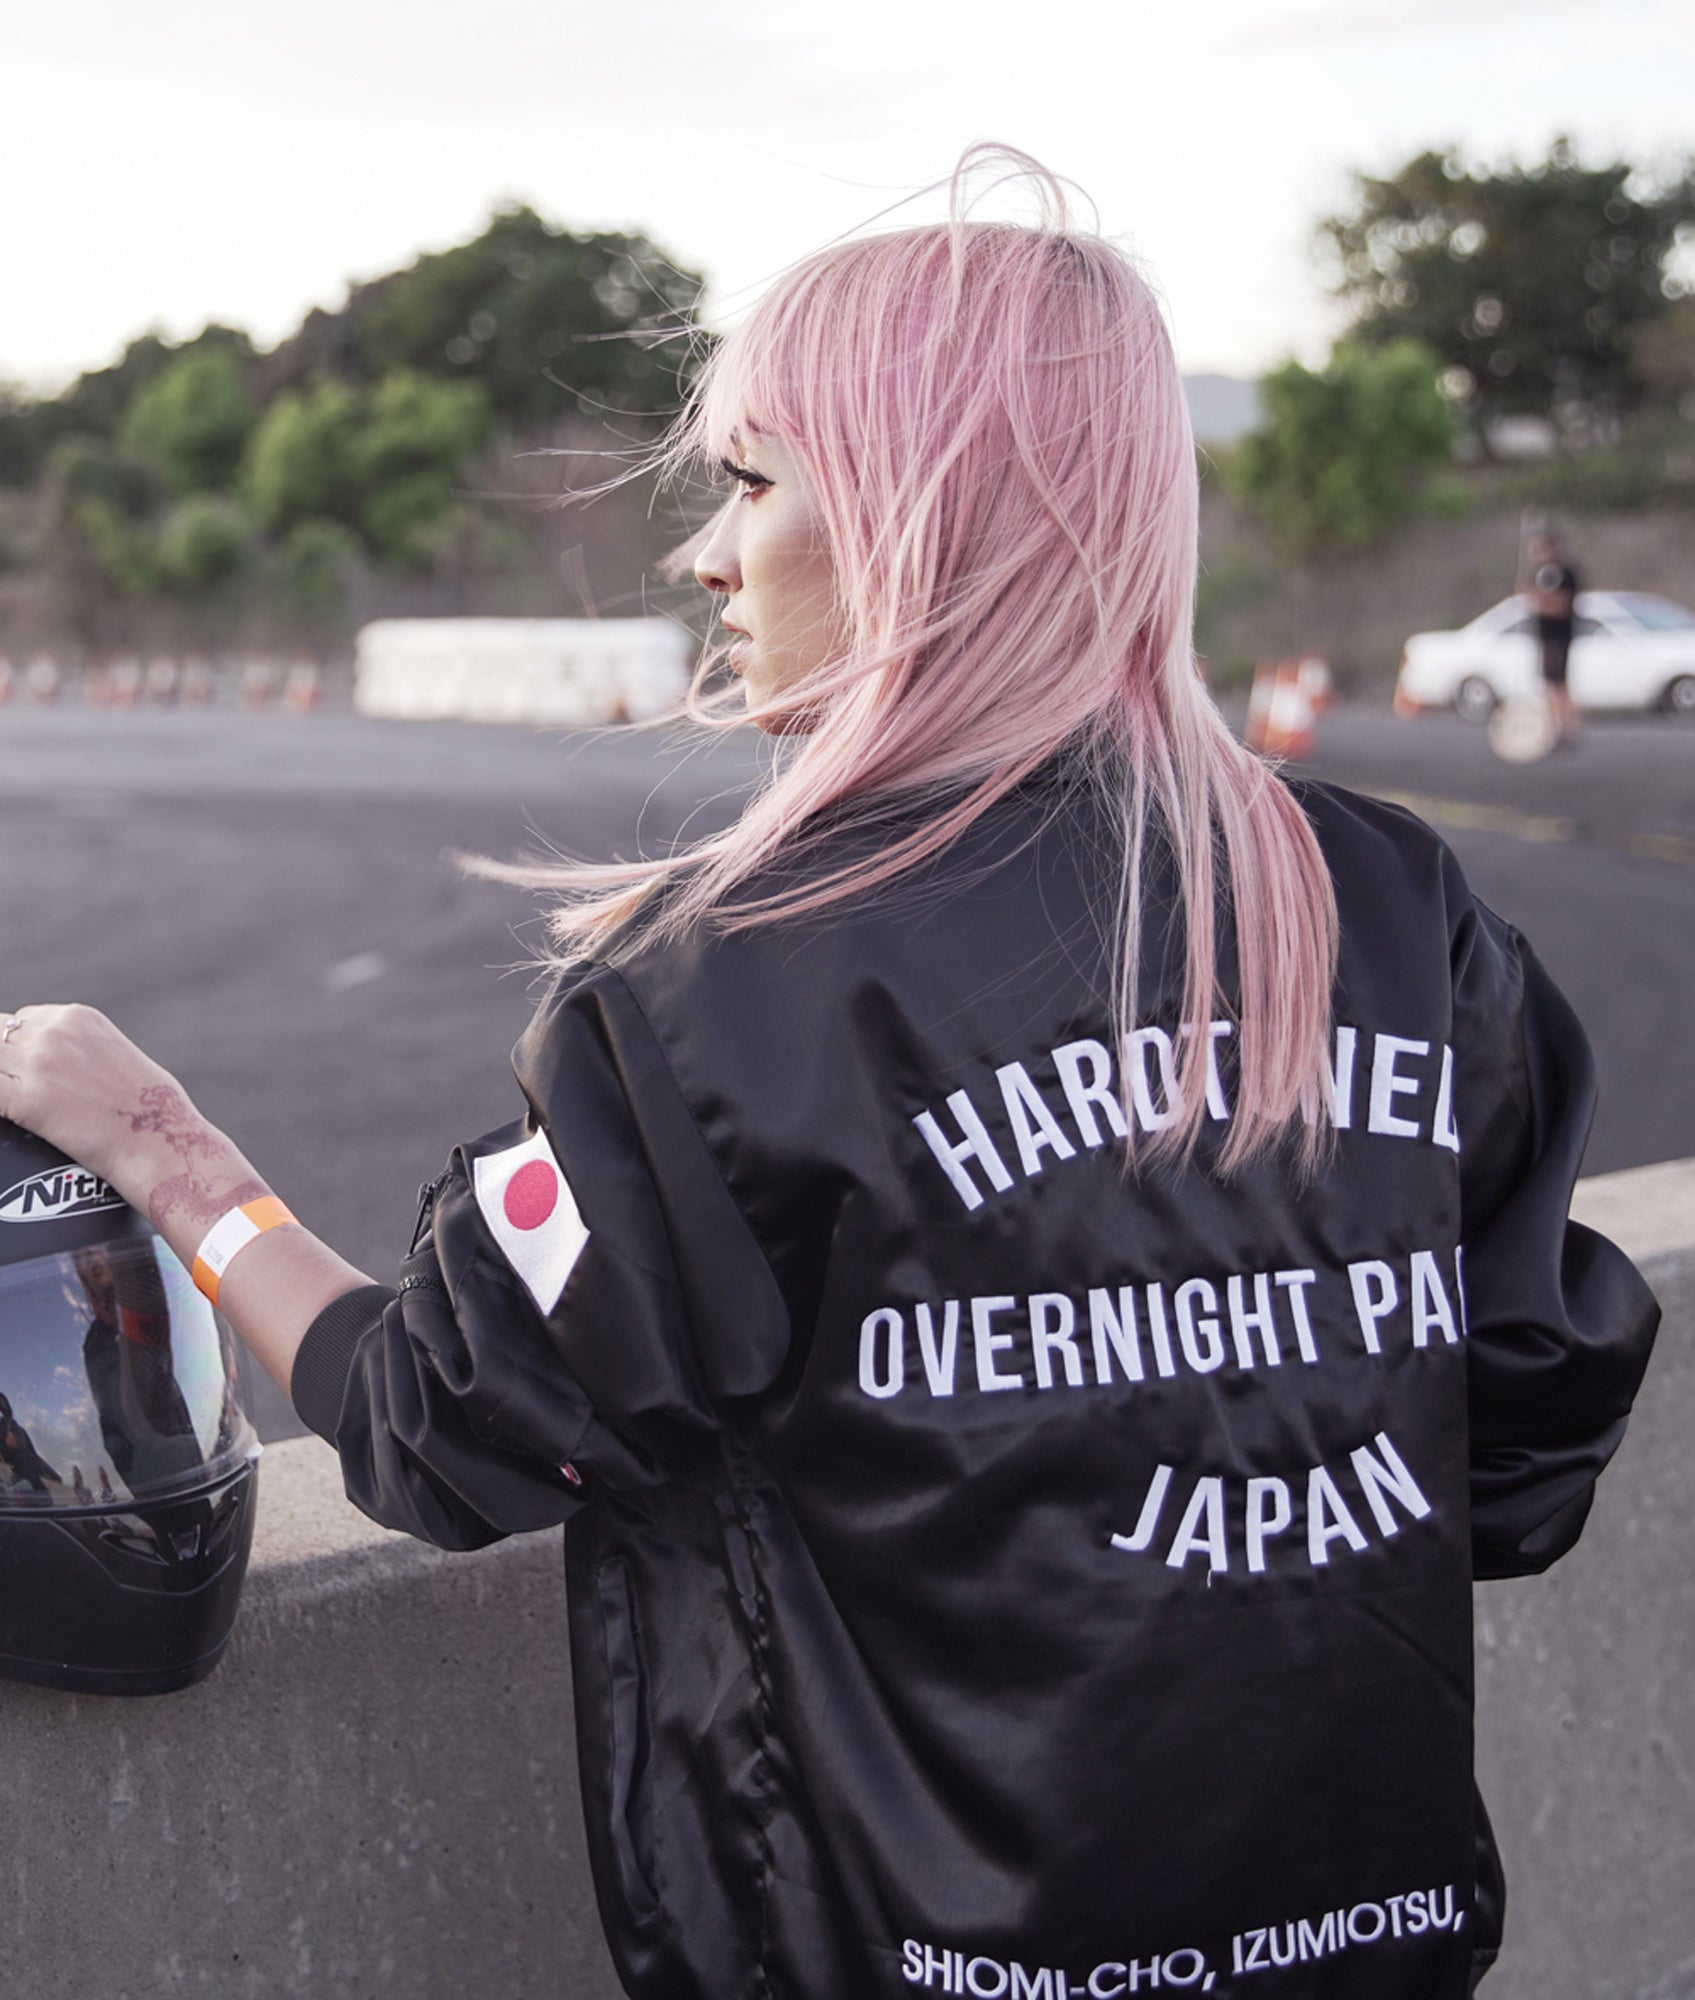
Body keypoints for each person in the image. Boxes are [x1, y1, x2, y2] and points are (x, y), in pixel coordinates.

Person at [0, 151, 1659, 2000]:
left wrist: (165, 1149)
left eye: (751, 482)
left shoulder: (729, 985)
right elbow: (1524, 1449)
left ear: (912, 517)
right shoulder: (1390, 903)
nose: (706, 556)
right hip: (1374, 1942)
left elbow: (436, 1421)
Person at [1523, 529, 1582, 743]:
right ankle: (1555, 724)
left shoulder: (1564, 574)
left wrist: (1536, 601)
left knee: (1558, 683)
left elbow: (1561, 606)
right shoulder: (1541, 574)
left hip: (1558, 636)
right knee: (1550, 684)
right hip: (1546, 635)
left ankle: (1566, 726)